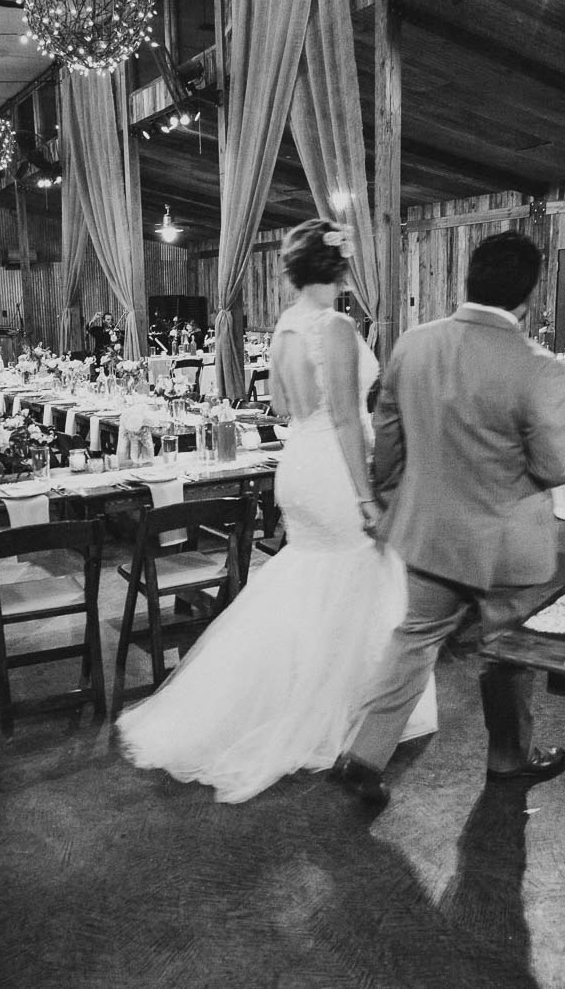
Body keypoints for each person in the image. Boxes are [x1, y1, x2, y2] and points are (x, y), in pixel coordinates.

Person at [119, 219, 435, 803]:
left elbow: (285, 405)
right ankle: (344, 714)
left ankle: (293, 699)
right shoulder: (335, 326)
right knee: (356, 582)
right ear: (339, 268)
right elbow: (345, 417)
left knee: (313, 580)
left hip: (298, 466)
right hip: (336, 472)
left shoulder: (287, 329)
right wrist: (367, 493)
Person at [332, 231, 565, 806]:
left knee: (412, 638)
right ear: (528, 295)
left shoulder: (413, 345)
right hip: (506, 546)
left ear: (467, 281)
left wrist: (392, 498)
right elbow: (558, 463)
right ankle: (508, 757)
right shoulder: (536, 366)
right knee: (508, 651)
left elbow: (387, 438)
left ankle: (364, 755)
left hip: (429, 532)